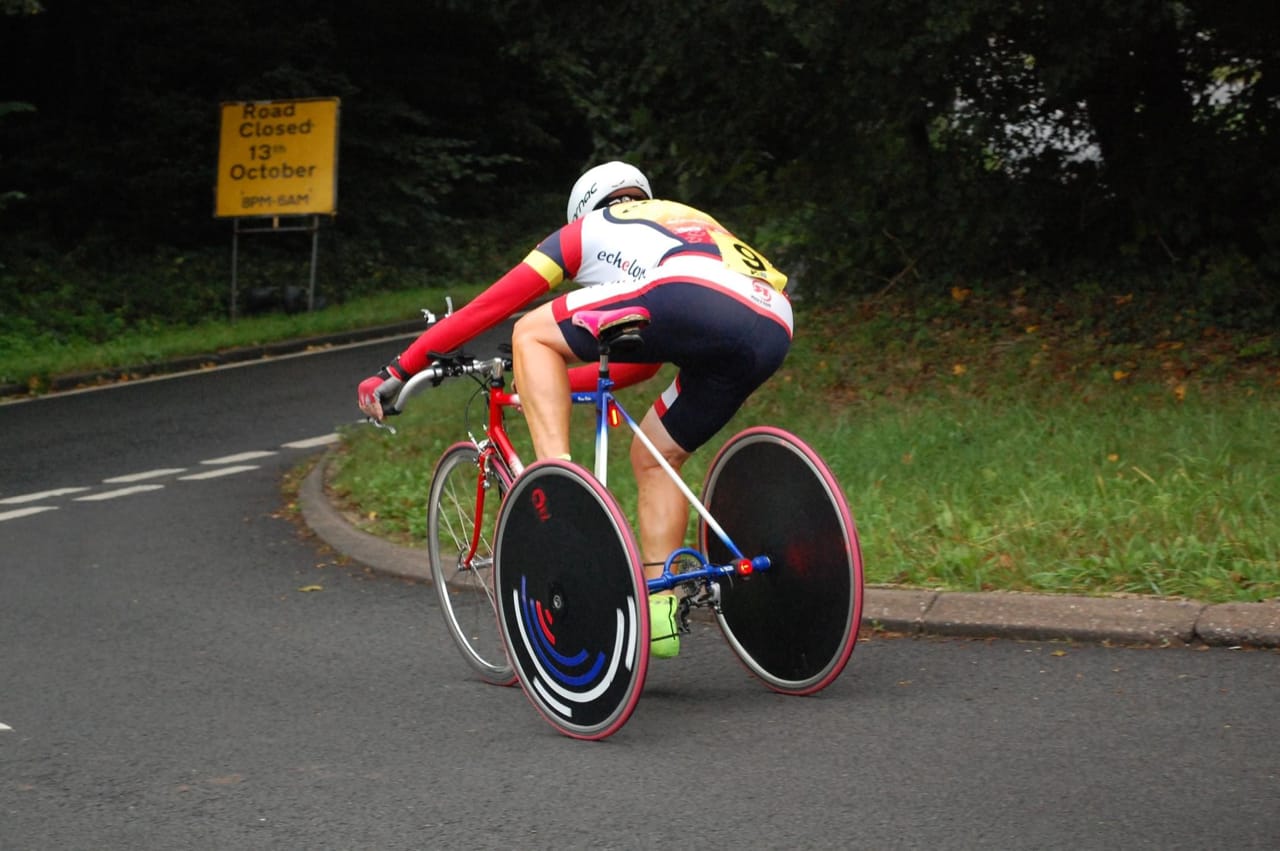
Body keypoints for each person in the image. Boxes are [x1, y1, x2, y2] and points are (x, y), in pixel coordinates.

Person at [358, 161, 793, 658]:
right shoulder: (680, 217)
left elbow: (489, 308)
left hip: (691, 293)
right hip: (773, 321)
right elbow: (640, 366)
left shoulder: (583, 231)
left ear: (581, 209)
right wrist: (546, 387)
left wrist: (397, 370)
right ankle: (662, 617)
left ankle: (559, 489)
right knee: (656, 455)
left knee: (529, 331)